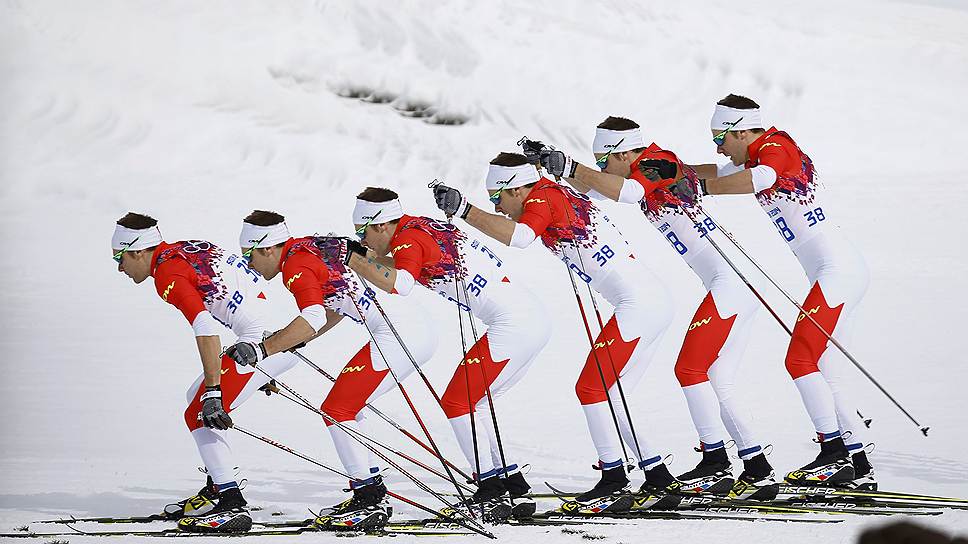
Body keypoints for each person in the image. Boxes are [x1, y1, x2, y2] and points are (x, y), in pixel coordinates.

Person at [525, 117, 778, 500]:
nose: (603, 166)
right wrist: (556, 166)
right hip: (726, 285)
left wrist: (575, 168)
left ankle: (716, 462)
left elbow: (625, 193)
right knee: (714, 376)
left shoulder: (657, 163)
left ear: (625, 152)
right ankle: (756, 467)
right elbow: (598, 189)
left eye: (606, 159)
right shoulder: (635, 170)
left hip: (729, 284)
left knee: (690, 370)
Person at [432, 154, 681, 513]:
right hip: (648, 301)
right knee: (607, 393)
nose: (498, 209)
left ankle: (615, 480)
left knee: (592, 389)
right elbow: (586, 187)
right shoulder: (551, 192)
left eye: (498, 199)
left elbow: (519, 238)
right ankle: (658, 478)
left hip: (637, 304)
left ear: (517, 189)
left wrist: (467, 211)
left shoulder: (541, 198)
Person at [685, 94, 874, 489]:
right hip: (837, 270)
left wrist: (701, 188)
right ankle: (855, 462)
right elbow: (718, 169)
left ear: (740, 130)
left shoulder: (774, 146)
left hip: (836, 272)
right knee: (824, 369)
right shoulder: (757, 152)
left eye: (721, 136)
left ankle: (834, 455)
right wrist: (672, 173)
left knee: (800, 360)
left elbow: (758, 180)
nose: (718, 145)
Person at [346, 188, 550, 521]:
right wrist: (363, 258)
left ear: (382, 225)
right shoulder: (417, 227)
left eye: (362, 232)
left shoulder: (408, 240)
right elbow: (397, 262)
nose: (363, 240)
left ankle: (490, 491)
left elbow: (401, 284)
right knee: (475, 402)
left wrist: (354, 259)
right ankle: (510, 483)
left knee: (457, 401)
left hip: (512, 325)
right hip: (528, 320)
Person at [228, 210, 438, 530]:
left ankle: (368, 500)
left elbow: (312, 317)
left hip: (400, 334)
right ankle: (372, 490)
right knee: (347, 407)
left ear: (268, 248)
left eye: (249, 254)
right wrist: (288, 341)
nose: (249, 264)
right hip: (407, 331)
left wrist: (262, 350)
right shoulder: (307, 250)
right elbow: (334, 308)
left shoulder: (296, 265)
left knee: (337, 409)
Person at [110, 212, 300, 533]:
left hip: (263, 344)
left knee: (199, 411)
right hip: (276, 338)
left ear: (139, 251)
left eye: (120, 257)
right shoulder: (181, 249)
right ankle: (218, 488)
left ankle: (230, 503)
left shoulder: (167, 275)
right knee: (194, 397)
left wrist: (215, 389)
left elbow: (205, 325)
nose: (119, 268)